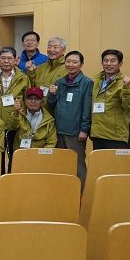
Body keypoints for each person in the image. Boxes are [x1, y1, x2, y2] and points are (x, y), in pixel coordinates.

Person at [47, 50, 93, 189]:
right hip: (58, 131)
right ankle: (63, 192)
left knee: (78, 166)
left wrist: (84, 130)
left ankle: (80, 195)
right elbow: (51, 104)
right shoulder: (59, 82)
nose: (71, 65)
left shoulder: (87, 83)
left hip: (75, 132)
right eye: (68, 61)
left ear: (81, 64)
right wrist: (52, 94)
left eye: (75, 62)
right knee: (61, 165)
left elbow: (87, 108)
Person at [90, 49, 130, 150]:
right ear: (102, 63)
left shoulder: (125, 83)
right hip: (97, 134)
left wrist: (126, 88)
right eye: (106, 60)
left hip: (115, 136)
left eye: (113, 61)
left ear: (120, 64)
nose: (108, 64)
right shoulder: (97, 81)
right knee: (97, 160)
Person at [11, 88, 57, 156]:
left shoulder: (49, 120)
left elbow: (51, 142)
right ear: (25, 101)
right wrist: (16, 113)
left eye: (37, 99)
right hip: (21, 152)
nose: (33, 101)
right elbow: (13, 127)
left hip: (40, 154)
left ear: (42, 102)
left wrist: (41, 155)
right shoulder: (19, 114)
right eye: (30, 99)